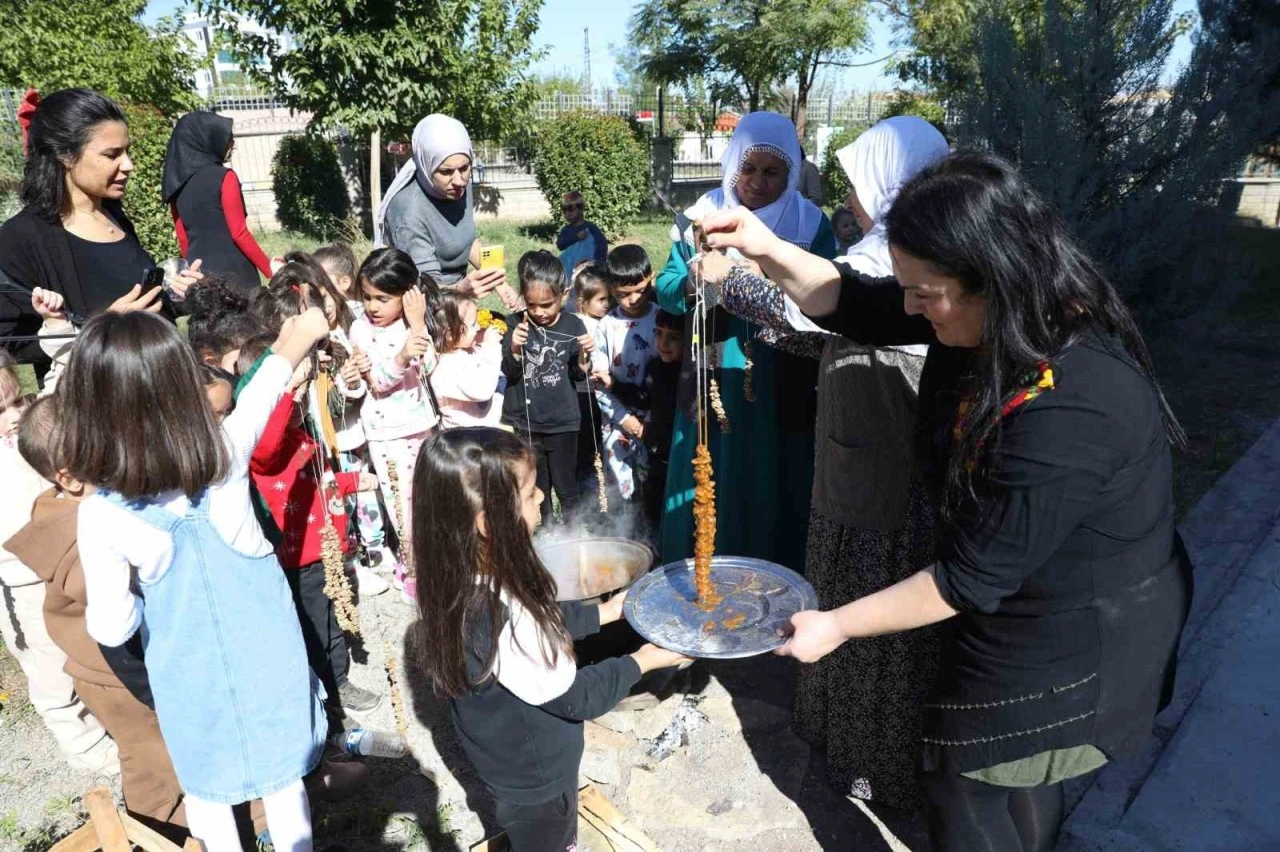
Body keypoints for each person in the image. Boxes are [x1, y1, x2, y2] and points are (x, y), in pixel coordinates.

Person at [698, 152, 1193, 852]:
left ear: (990, 279)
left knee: (975, 784)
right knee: (1003, 783)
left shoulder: (1074, 404)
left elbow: (969, 576)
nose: (909, 308)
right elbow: (859, 307)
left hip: (1074, 639)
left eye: (925, 294)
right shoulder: (998, 316)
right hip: (1021, 602)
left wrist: (834, 625)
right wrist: (766, 247)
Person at [713, 115, 951, 810]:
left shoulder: (908, 266)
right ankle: (831, 734)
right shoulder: (878, 253)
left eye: (857, 184)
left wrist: (735, 278)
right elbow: (825, 331)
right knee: (838, 597)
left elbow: (833, 308)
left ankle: (874, 765)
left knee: (873, 621)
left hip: (887, 477)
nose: (848, 200)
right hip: (850, 460)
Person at [72, 308, 334, 850]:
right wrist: (299, 336)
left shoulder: (101, 514)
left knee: (210, 801)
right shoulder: (226, 456)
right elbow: (263, 389)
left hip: (189, 686)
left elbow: (112, 625)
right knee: (288, 795)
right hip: (271, 667)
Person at [410, 427, 689, 852]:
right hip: (537, 778)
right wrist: (645, 659)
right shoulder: (506, 614)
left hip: (500, 756)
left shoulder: (455, 577)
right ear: (488, 523)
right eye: (529, 494)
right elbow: (578, 697)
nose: (542, 496)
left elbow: (545, 618)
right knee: (550, 838)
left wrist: (608, 610)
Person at [655, 111, 836, 570]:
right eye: (748, 168)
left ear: (792, 172)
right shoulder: (701, 217)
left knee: (773, 473)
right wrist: (695, 278)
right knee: (710, 466)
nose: (756, 183)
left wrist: (765, 272)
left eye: (772, 172)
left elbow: (830, 298)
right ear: (732, 163)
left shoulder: (811, 226)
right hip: (715, 370)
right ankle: (701, 578)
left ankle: (774, 585)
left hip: (782, 376)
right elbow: (667, 288)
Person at [0, 88, 204, 369]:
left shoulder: (114, 216)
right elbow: (10, 340)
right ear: (65, 156)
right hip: (99, 405)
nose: (129, 165)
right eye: (112, 154)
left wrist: (173, 295)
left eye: (127, 151)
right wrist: (102, 330)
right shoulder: (21, 238)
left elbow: (138, 305)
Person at [0, 352, 119, 774]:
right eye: (0, 411)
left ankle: (118, 721)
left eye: (17, 401)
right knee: (50, 669)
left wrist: (55, 328)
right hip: (20, 584)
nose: (14, 417)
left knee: (92, 647)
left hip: (72, 560)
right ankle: (87, 751)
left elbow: (59, 384)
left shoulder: (33, 432)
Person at [349, 248, 440, 602]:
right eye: (368, 297)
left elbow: (430, 367)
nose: (373, 306)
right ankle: (411, 574)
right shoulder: (361, 330)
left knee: (426, 501)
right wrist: (402, 355)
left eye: (382, 298)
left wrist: (417, 326)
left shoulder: (412, 325)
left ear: (408, 295)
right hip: (388, 433)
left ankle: (429, 565)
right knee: (402, 506)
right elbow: (378, 381)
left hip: (420, 426)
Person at [374, 114, 519, 308]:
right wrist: (461, 290)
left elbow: (466, 241)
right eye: (446, 171)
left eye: (465, 168)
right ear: (426, 166)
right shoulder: (408, 211)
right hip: (422, 305)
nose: (459, 180)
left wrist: (498, 283)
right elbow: (424, 287)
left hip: (456, 298)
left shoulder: (455, 189)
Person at [500, 251, 592, 524]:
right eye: (532, 305)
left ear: (564, 295)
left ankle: (575, 534)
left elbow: (578, 373)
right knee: (538, 488)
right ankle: (546, 534)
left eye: (547, 305)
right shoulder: (514, 324)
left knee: (566, 485)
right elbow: (510, 372)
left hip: (563, 422)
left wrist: (585, 355)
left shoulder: (574, 324)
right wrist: (514, 347)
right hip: (528, 424)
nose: (539, 312)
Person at [162, 112, 272, 291]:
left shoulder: (176, 184)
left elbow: (183, 239)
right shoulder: (225, 177)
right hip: (237, 274)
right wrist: (271, 271)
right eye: (227, 139)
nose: (232, 144)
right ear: (207, 140)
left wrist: (191, 275)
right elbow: (239, 232)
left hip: (201, 276)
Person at [591, 245, 659, 504]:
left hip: (654, 421)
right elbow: (599, 382)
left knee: (652, 486)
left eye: (641, 290)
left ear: (651, 278)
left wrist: (650, 421)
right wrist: (625, 418)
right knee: (622, 492)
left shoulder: (662, 318)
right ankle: (625, 539)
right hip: (618, 421)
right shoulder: (607, 326)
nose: (634, 299)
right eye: (624, 294)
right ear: (610, 289)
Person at [429, 291, 505, 428]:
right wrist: (491, 347)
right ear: (451, 334)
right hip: (462, 440)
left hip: (482, 435)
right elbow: (483, 390)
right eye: (473, 324)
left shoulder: (465, 351)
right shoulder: (446, 368)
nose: (478, 327)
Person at [571, 263, 610, 494]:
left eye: (609, 299)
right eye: (601, 299)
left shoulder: (606, 321)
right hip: (585, 391)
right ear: (582, 302)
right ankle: (588, 493)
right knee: (589, 445)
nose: (606, 304)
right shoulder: (580, 324)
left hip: (604, 390)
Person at [555, 191, 607, 279]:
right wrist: (576, 238)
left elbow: (601, 245)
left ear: (581, 208)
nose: (567, 214)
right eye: (564, 210)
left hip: (588, 271)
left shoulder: (591, 228)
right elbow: (560, 245)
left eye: (570, 209)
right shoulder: (566, 229)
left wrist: (596, 264)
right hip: (570, 271)